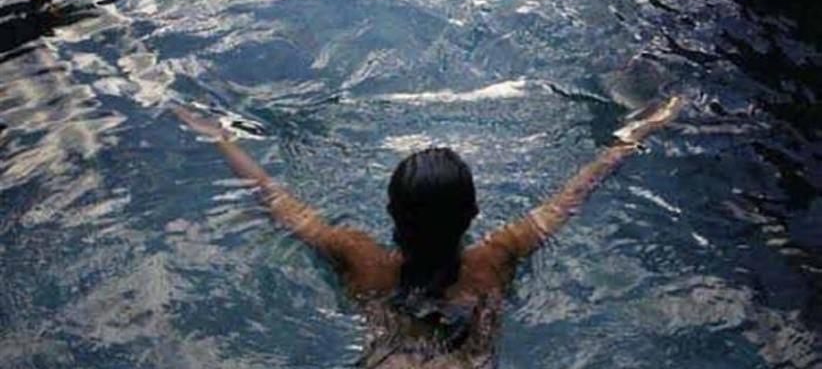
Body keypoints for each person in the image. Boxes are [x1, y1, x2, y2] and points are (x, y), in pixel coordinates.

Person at [173, 96, 684, 368]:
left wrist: (220, 138)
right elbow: (574, 194)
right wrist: (636, 134)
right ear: (474, 213)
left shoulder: (359, 259)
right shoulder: (498, 258)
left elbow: (274, 200)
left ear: (391, 212)